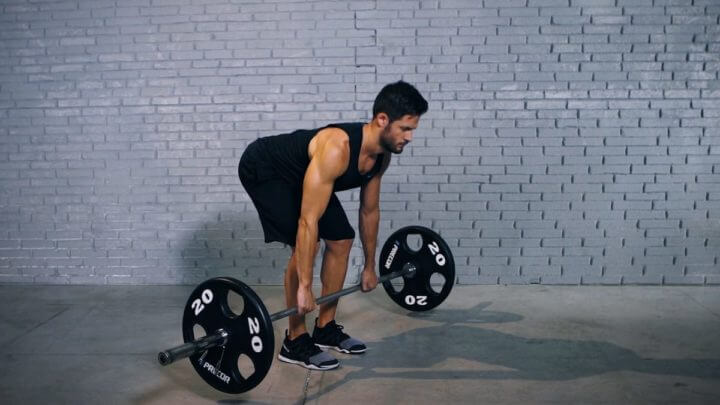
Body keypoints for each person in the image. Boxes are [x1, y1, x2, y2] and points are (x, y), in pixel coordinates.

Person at [238, 81, 428, 370]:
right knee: (307, 245)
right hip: (265, 168)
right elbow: (307, 221)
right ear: (382, 120)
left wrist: (369, 266)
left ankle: (325, 328)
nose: (410, 137)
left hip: (304, 176)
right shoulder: (337, 148)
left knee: (341, 238)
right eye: (405, 128)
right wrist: (304, 286)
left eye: (412, 129)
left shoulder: (380, 157)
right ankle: (295, 340)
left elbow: (369, 211)